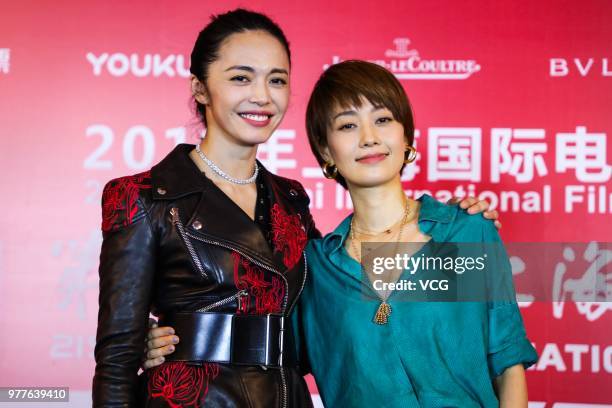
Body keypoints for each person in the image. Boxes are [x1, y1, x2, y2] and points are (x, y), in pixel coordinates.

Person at [95, 8, 499, 408]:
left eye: (277, 80)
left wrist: (453, 230)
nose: (261, 96)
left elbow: (340, 305)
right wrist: (162, 340)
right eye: (240, 78)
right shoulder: (144, 196)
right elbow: (115, 365)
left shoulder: (291, 200)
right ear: (200, 88)